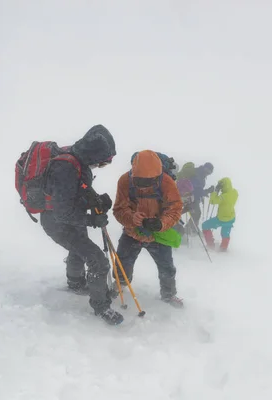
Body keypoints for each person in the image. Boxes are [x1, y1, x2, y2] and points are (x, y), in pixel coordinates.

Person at [40, 124, 123, 325]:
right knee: (97, 259)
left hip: (66, 218)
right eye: (102, 163)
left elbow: (79, 190)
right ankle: (101, 306)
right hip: (56, 222)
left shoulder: (79, 160)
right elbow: (62, 211)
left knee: (80, 249)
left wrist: (96, 200)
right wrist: (91, 219)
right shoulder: (66, 167)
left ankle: (75, 283)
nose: (100, 166)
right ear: (94, 155)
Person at [112, 150, 184, 307]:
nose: (144, 187)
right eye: (140, 182)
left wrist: (160, 223)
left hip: (157, 235)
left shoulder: (166, 182)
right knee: (122, 263)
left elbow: (175, 208)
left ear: (157, 177)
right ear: (133, 174)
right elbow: (118, 209)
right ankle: (120, 284)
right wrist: (132, 218)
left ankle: (169, 295)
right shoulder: (125, 181)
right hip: (132, 232)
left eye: (149, 183)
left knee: (166, 267)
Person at [202, 177, 238, 252]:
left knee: (205, 225)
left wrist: (215, 191)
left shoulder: (223, 196)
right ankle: (224, 248)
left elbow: (212, 201)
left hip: (221, 218)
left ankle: (210, 245)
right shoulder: (235, 192)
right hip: (231, 217)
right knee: (225, 233)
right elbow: (230, 197)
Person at [185, 162, 215, 234]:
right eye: (208, 171)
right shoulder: (197, 175)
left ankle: (189, 229)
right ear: (205, 168)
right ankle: (187, 230)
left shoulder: (201, 175)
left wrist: (203, 193)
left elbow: (198, 189)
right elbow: (196, 189)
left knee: (196, 213)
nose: (208, 173)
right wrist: (206, 191)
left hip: (192, 198)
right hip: (189, 197)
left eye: (210, 173)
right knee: (196, 213)